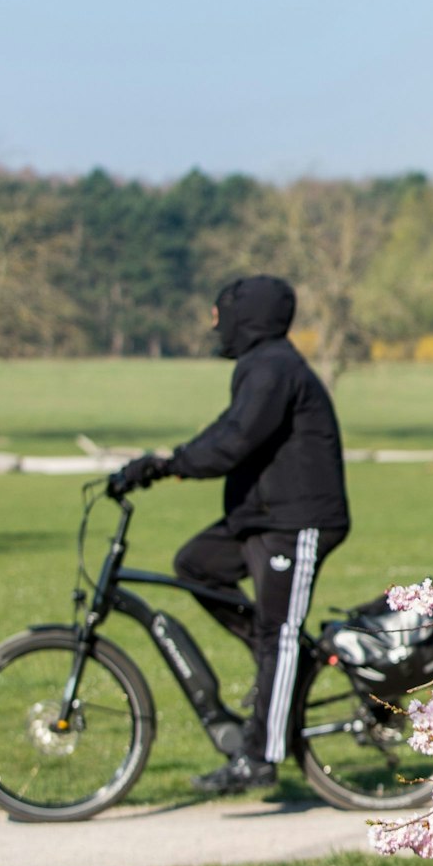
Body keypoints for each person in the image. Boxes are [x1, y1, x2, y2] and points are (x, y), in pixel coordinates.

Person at [114, 275, 350, 794]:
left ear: (247, 318)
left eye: (220, 316)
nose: (214, 325)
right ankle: (279, 659)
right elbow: (227, 429)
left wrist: (166, 465)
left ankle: (259, 758)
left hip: (297, 520)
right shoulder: (260, 366)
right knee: (197, 565)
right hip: (261, 515)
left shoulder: (274, 367)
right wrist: (161, 463)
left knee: (279, 633)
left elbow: (234, 442)